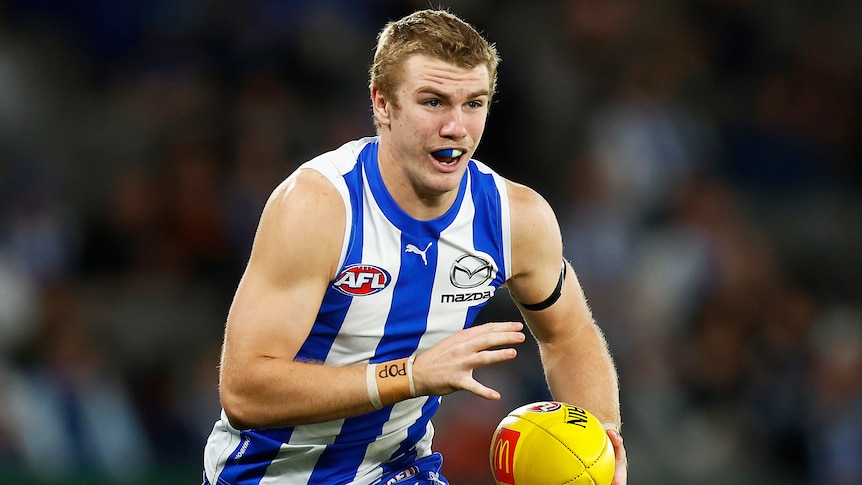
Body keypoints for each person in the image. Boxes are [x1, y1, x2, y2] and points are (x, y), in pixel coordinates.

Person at [202, 8, 627, 485]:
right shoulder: (319, 207)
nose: (456, 127)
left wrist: (600, 439)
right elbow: (244, 392)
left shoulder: (514, 218)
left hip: (399, 473)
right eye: (433, 102)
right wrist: (410, 376)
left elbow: (568, 334)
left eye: (473, 104)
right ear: (382, 104)